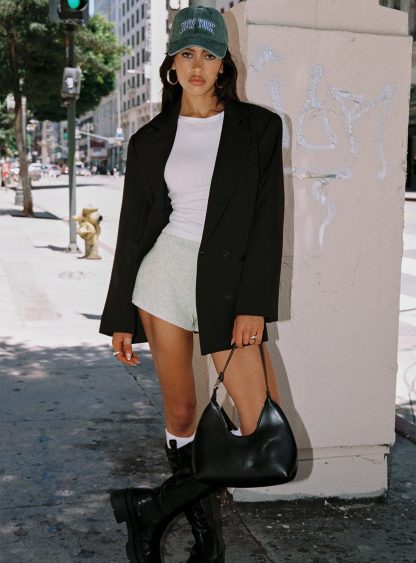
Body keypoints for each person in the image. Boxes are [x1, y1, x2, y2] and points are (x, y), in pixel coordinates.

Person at [99, 6, 285, 563]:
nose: (197, 65)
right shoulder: (150, 139)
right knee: (182, 414)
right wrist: (119, 316)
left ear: (224, 63)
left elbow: (267, 222)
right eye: (186, 53)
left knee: (259, 426)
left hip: (229, 286)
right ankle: (207, 536)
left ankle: (151, 509)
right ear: (172, 64)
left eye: (208, 54)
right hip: (165, 276)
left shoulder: (258, 127)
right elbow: (133, 231)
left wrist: (253, 305)